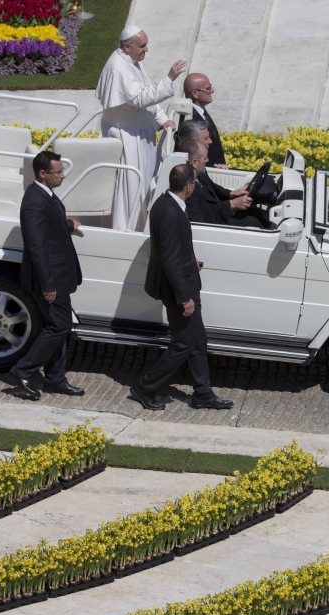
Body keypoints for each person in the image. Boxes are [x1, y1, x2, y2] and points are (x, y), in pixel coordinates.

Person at [130, 163, 233, 412]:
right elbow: (169, 259)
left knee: (197, 340)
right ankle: (145, 387)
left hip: (184, 284)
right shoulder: (170, 212)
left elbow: (175, 248)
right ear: (188, 186)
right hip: (179, 291)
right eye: (195, 183)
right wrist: (184, 297)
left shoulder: (166, 204)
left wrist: (191, 259)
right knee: (183, 344)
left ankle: (202, 393)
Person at [6, 152, 85, 401]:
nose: (62, 176)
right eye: (58, 172)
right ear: (43, 174)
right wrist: (47, 283)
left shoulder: (45, 195)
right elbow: (37, 245)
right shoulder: (34, 201)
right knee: (59, 326)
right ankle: (22, 372)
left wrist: (69, 226)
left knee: (58, 327)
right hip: (50, 278)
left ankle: (55, 379)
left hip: (59, 275)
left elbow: (51, 224)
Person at [95, 26, 186, 231]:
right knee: (129, 187)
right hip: (127, 137)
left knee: (142, 184)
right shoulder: (118, 67)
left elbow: (145, 95)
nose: (147, 49)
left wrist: (162, 119)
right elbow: (141, 98)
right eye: (142, 46)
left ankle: (139, 224)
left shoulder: (132, 61)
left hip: (139, 135)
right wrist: (169, 78)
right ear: (127, 47)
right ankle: (126, 228)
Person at [177, 138, 258, 228]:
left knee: (252, 212)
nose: (208, 160)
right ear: (194, 163)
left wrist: (233, 193)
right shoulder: (188, 189)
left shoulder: (200, 174)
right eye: (205, 158)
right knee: (252, 222)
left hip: (219, 216)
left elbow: (214, 188)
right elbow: (202, 219)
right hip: (215, 225)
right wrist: (232, 204)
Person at [183, 73, 227, 168]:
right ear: (195, 93)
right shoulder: (188, 117)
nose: (212, 91)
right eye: (207, 89)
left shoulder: (202, 112)